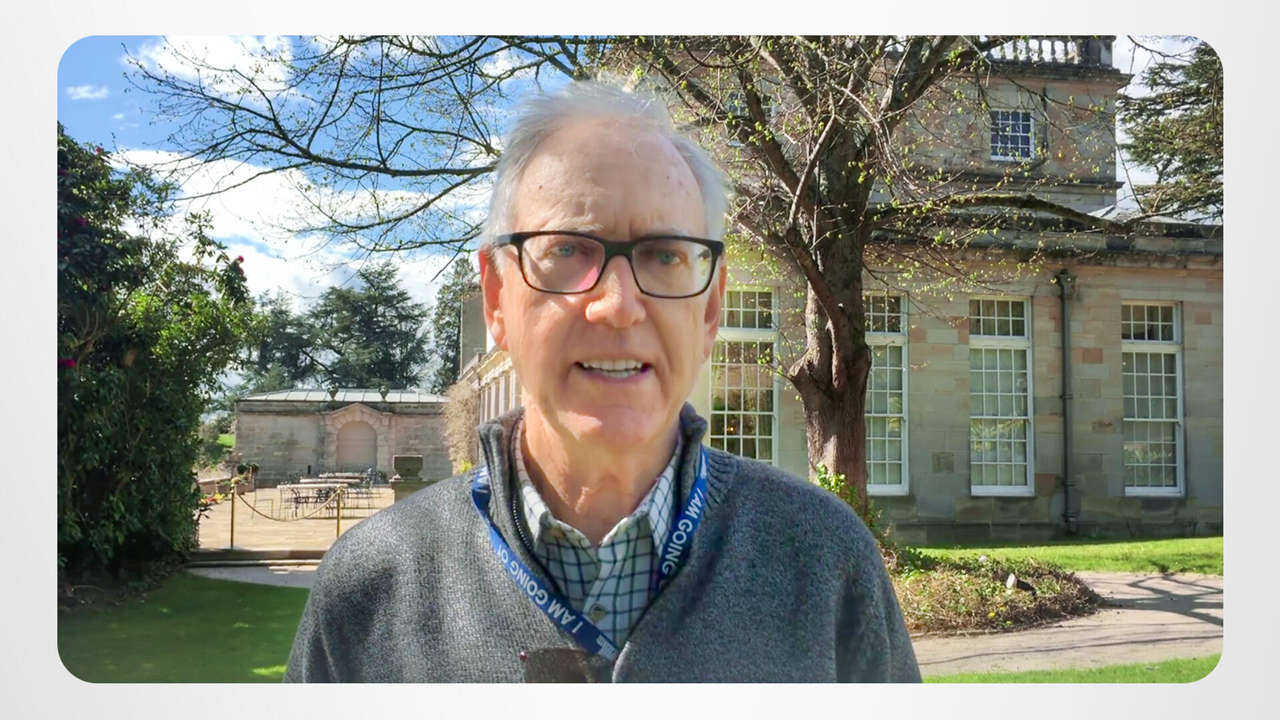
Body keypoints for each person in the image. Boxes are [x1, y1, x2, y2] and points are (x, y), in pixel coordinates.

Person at [284, 80, 920, 683]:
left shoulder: (827, 561)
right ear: (497, 298)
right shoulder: (370, 586)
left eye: (665, 254)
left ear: (709, 311)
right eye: (567, 249)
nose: (617, 306)